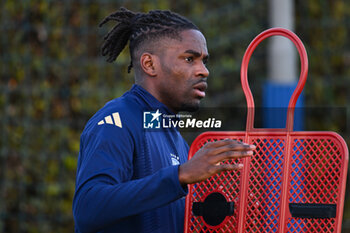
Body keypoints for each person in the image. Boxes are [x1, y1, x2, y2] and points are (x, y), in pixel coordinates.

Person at [72, 7, 255, 233]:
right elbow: (87, 208)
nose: (204, 71)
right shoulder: (115, 121)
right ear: (149, 64)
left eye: (204, 61)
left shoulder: (177, 140)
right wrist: (180, 175)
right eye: (190, 59)